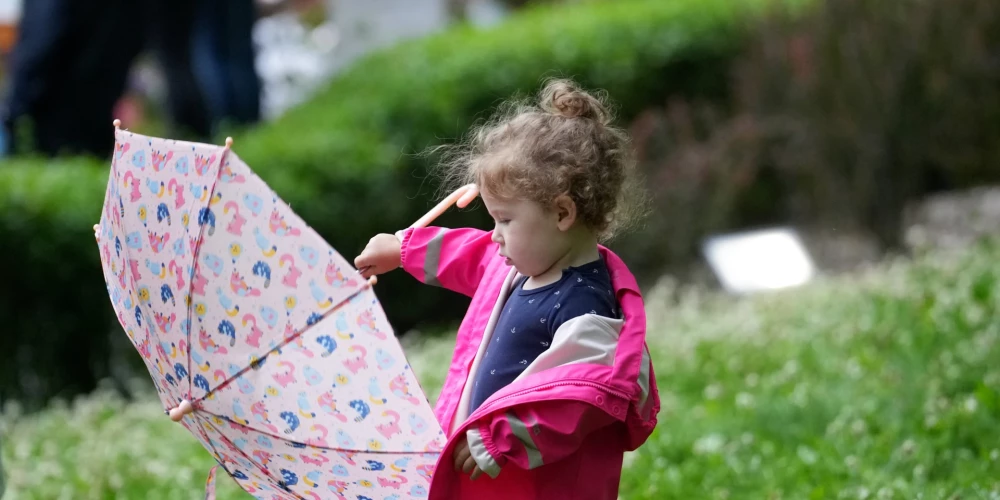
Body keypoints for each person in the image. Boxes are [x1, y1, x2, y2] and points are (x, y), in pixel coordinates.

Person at [354, 79, 660, 499]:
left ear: (562, 212)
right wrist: (404, 249)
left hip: (532, 483)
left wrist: (502, 437)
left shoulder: (587, 308)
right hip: (487, 467)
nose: (495, 235)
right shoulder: (522, 265)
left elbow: (579, 400)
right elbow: (471, 255)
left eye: (505, 220)